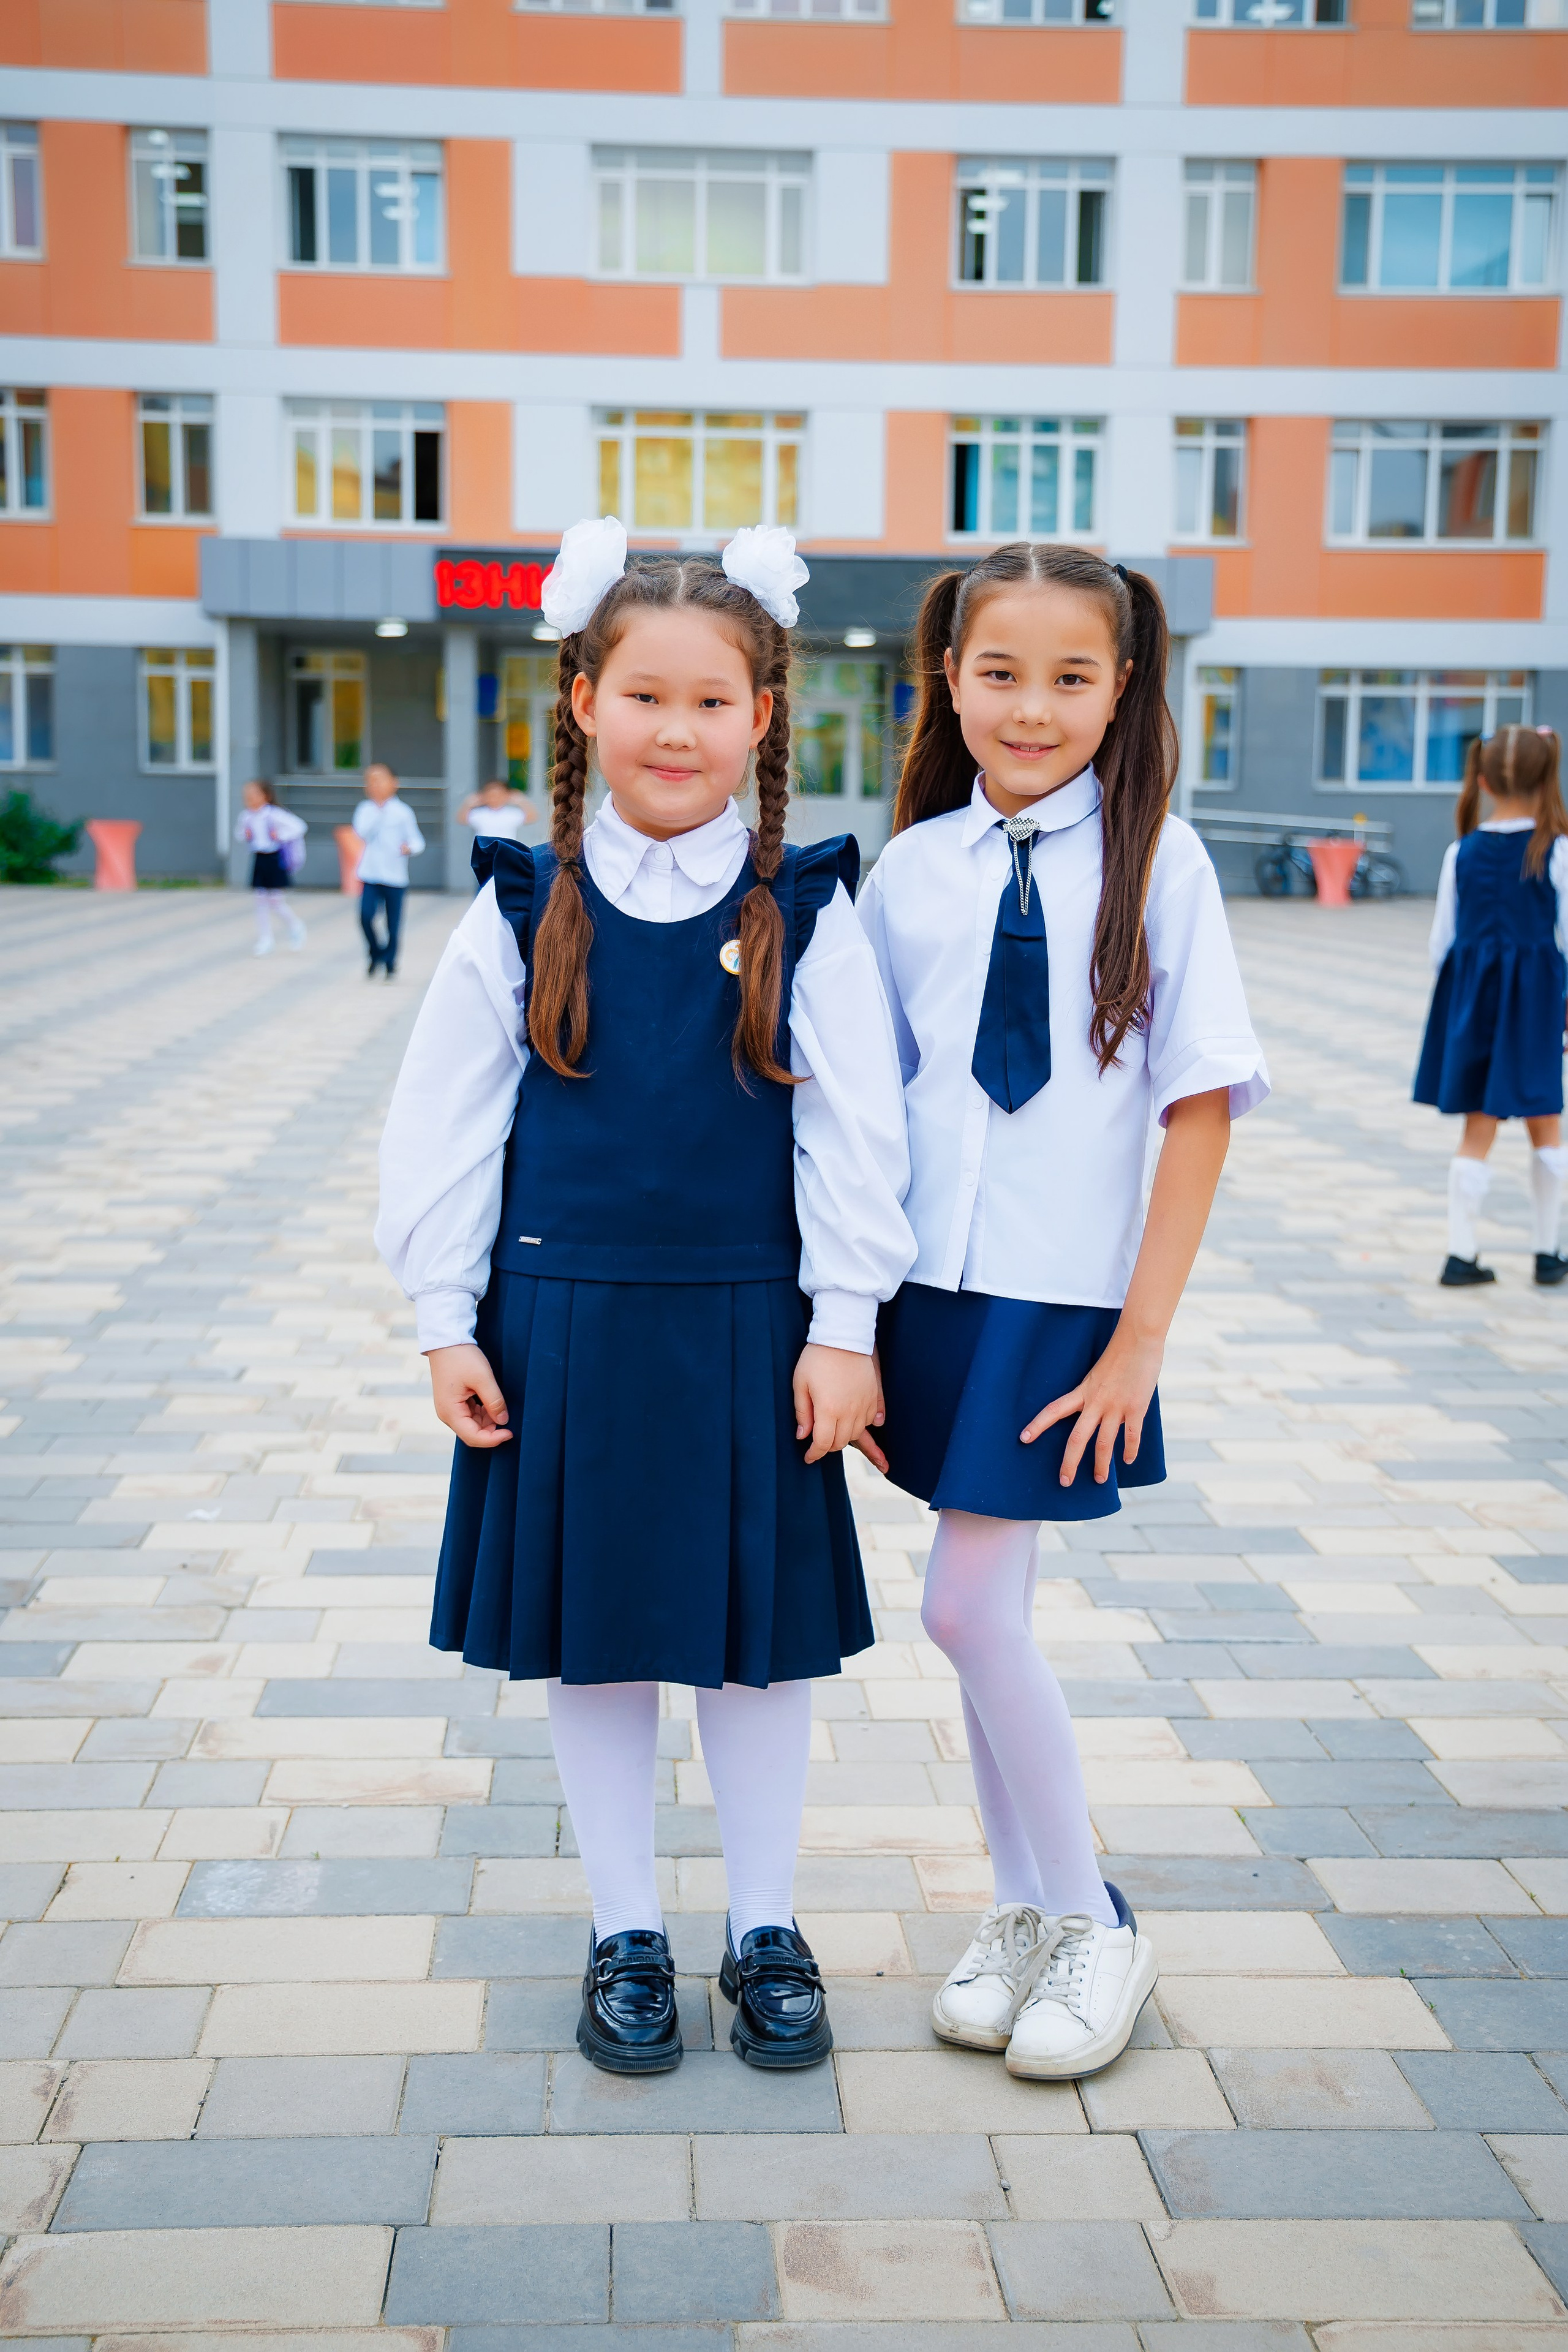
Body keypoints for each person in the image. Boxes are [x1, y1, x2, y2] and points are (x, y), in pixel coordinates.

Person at [375, 518, 914, 2078]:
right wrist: (439, 1314)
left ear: (763, 716)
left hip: (753, 1326)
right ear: (581, 701)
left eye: (712, 701)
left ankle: (763, 1926)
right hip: (564, 1329)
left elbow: (854, 1128)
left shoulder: (802, 905)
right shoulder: (512, 902)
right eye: (645, 696)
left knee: (755, 1645)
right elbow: (445, 1124)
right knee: (598, 1643)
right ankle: (624, 1928)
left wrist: (844, 1325)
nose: (676, 730)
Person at [857, 543, 1268, 2082]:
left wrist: (1138, 1338)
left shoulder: (1159, 859)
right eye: (998, 672)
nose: (1030, 707)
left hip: (1058, 1298)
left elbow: (1199, 1104)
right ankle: (1023, 1907)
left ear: (1122, 685)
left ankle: (1091, 1915)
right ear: (945, 678)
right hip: (928, 1290)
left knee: (961, 1611)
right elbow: (861, 1100)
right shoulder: (912, 869)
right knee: (985, 1624)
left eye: (1070, 676)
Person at [1415, 723, 1568, 1289]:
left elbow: (1442, 945)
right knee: (1545, 1123)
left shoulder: (1463, 852)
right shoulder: (1556, 851)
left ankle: (1461, 1253)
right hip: (1535, 1010)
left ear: (1481, 779)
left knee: (1477, 1129)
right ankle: (1548, 1252)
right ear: (1547, 776)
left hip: (1474, 1006)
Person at [353, 763, 424, 979]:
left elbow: (417, 841)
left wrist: (408, 848)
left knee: (393, 924)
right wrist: (380, 810)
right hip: (371, 874)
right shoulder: (365, 810)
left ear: (394, 783)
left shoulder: (403, 812)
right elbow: (361, 832)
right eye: (371, 781)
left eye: (380, 779)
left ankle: (391, 963)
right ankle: (375, 953)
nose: (375, 784)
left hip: (395, 877)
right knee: (366, 916)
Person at [235, 778, 306, 957]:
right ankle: (266, 939)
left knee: (275, 901)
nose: (251, 798)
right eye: (248, 796)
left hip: (274, 859)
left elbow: (299, 827)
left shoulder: (274, 814)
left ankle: (295, 926)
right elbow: (239, 834)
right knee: (260, 901)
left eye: (255, 794)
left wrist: (279, 835)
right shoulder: (246, 816)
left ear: (265, 796)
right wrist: (246, 834)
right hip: (259, 858)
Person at [459, 775, 538, 856]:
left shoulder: (512, 813)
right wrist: (468, 804)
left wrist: (522, 801)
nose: (494, 798)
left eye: (499, 795)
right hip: (483, 852)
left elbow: (532, 818)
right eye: (490, 795)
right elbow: (462, 820)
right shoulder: (479, 813)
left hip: (506, 851)